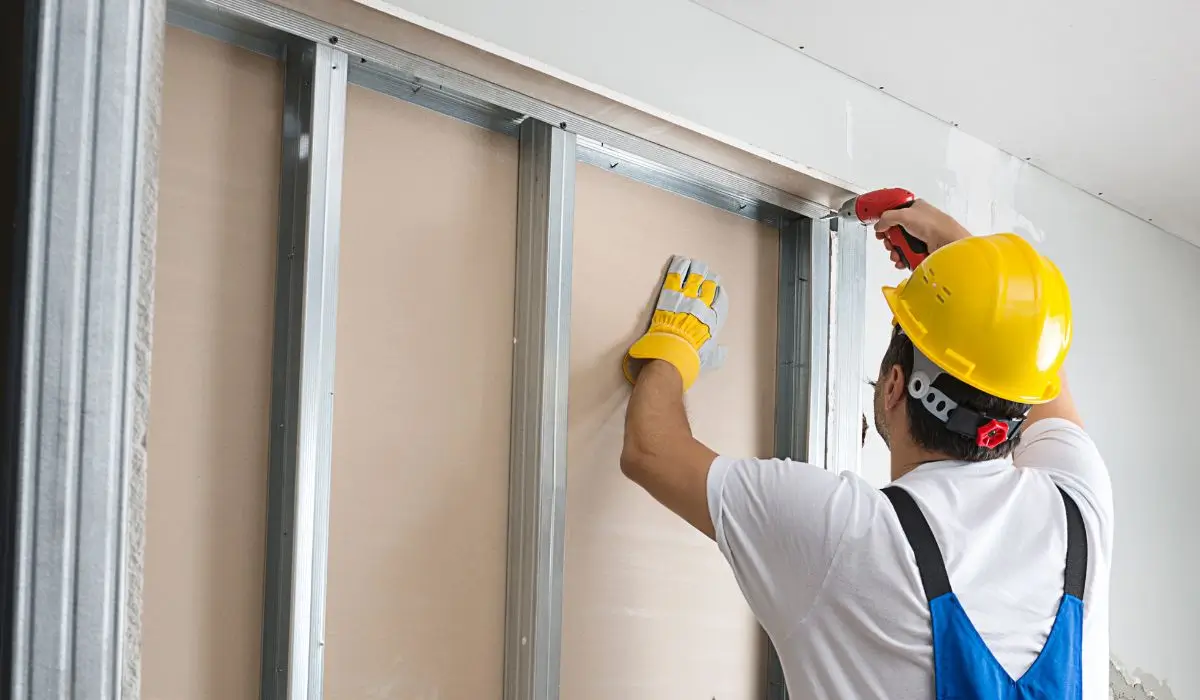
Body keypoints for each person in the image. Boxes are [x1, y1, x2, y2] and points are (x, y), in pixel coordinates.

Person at [619, 199, 1112, 699]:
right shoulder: (1080, 516)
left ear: (894, 384)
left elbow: (651, 450)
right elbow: (1034, 361)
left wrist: (676, 346)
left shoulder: (850, 533)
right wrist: (957, 276)